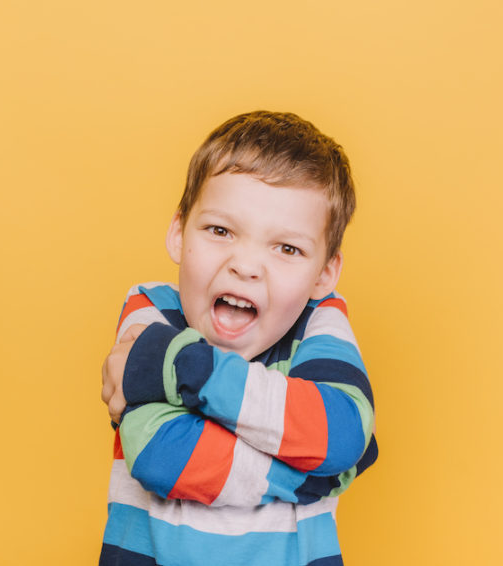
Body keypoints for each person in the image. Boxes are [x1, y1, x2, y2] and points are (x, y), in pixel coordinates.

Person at [99, 111, 378, 566]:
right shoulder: (151, 315)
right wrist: (319, 473)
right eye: (220, 230)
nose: (245, 266)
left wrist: (177, 365)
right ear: (178, 233)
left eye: (287, 248)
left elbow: (342, 433)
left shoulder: (319, 324)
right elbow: (162, 456)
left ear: (324, 273)